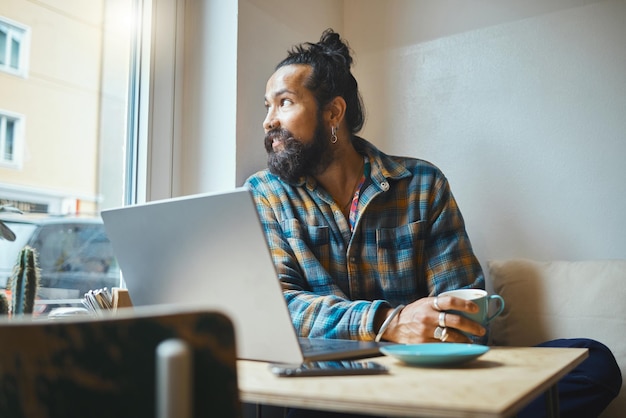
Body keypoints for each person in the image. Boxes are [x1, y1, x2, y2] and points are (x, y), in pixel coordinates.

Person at [244, 29, 621, 418]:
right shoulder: (265, 193)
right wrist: (388, 322)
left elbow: (465, 308)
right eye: (267, 107)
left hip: (426, 374)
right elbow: (279, 308)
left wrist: (443, 330)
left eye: (283, 103)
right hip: (333, 384)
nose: (268, 122)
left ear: (333, 112)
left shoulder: (422, 184)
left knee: (592, 361)